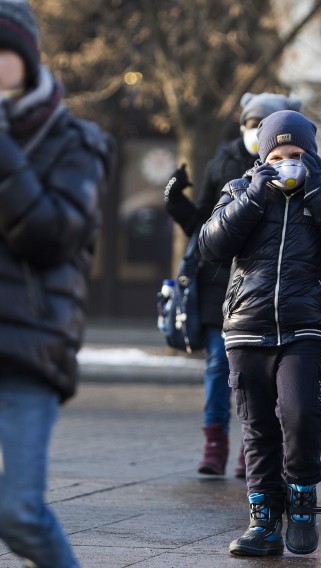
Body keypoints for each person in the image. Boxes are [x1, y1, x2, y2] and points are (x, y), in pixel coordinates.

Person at [199, 110, 321, 557]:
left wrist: (315, 191)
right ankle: (263, 519)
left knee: (301, 415)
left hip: (304, 325)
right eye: (277, 154)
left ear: (311, 155)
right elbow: (212, 245)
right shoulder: (240, 190)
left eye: (296, 154)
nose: (286, 162)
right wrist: (255, 194)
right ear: (262, 156)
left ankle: (301, 500)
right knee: (257, 427)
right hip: (247, 326)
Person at [0, 2, 112, 566]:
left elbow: (51, 235)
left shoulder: (77, 142)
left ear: (26, 59)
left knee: (17, 511)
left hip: (28, 343)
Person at [164, 91, 303, 478]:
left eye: (262, 124)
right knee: (215, 367)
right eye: (249, 124)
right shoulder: (222, 163)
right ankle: (214, 446)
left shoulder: (296, 170)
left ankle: (249, 448)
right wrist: (177, 203)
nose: (253, 130)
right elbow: (206, 229)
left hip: (263, 289)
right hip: (219, 285)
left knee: (256, 378)